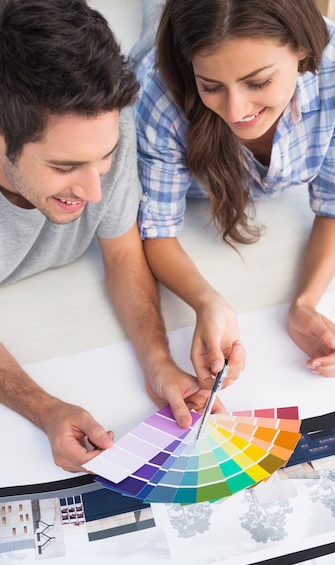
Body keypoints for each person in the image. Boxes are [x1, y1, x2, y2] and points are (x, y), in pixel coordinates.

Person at [0, 0, 225, 474]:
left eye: (104, 158)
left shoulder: (105, 120)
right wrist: (46, 409)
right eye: (65, 167)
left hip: (7, 107)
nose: (96, 191)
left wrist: (157, 362)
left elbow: (123, 253)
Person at [134, 0, 335, 385]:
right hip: (154, 61)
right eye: (210, 86)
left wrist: (305, 302)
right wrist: (207, 301)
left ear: (303, 48)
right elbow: (156, 229)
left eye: (258, 82)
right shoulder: (159, 93)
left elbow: (333, 204)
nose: (236, 109)